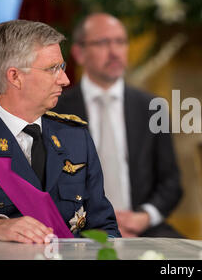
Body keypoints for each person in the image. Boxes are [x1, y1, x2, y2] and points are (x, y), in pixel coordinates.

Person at [0, 19, 120, 243]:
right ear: (14, 76)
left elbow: (104, 226)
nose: (65, 80)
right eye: (52, 69)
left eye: (61, 67)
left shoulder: (76, 137)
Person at [53, 13, 183, 238]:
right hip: (78, 229)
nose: (114, 52)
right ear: (79, 53)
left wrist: (143, 217)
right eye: (103, 42)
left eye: (120, 42)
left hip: (143, 227)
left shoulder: (153, 107)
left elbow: (171, 182)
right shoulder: (56, 110)